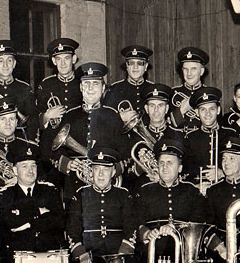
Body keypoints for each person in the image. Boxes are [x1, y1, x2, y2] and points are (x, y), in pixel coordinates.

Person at [135, 138, 211, 263]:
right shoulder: (145, 192)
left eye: (170, 163)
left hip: (183, 247)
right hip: (154, 248)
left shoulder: (191, 192)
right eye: (161, 163)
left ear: (180, 167)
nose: (165, 167)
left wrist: (176, 230)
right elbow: (137, 221)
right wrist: (148, 233)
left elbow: (198, 221)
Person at [67, 146, 139, 263]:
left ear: (113, 172)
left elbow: (131, 228)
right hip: (89, 251)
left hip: (117, 252)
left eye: (105, 169)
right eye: (96, 169)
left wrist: (121, 255)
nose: (100, 173)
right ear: (90, 171)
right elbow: (72, 231)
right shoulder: (80, 195)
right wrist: (81, 254)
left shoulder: (124, 195)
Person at [40, 62, 128, 202]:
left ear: (103, 88)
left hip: (108, 184)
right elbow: (51, 150)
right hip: (75, 185)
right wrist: (67, 164)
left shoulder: (113, 116)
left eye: (95, 84)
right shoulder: (69, 116)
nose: (90, 88)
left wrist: (111, 172)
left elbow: (125, 153)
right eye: (86, 84)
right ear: (81, 87)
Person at [0, 40, 39, 141]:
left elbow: (33, 121)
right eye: (1, 61)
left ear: (14, 63)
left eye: (9, 60)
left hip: (21, 142)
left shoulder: (25, 89)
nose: (5, 65)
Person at [183, 87, 237, 196]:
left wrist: (222, 173)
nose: (207, 113)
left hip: (225, 192)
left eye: (211, 109)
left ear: (218, 110)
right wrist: (195, 187)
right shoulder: (189, 138)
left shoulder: (231, 135)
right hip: (198, 194)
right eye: (203, 109)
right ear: (197, 113)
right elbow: (184, 170)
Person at [36, 37, 82, 132]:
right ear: (54, 61)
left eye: (67, 58)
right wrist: (46, 116)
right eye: (58, 59)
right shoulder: (46, 84)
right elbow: (35, 118)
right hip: (52, 139)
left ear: (73, 59)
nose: (63, 63)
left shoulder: (82, 82)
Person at [104, 44, 155, 115]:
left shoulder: (153, 89)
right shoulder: (114, 90)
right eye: (131, 63)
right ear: (127, 66)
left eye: (140, 63)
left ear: (146, 66)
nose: (135, 67)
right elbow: (106, 119)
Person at [170, 47, 210, 133]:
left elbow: (217, 128)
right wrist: (182, 110)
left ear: (201, 71)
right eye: (186, 69)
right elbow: (167, 126)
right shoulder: (172, 93)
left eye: (193, 69)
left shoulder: (210, 94)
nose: (189, 73)